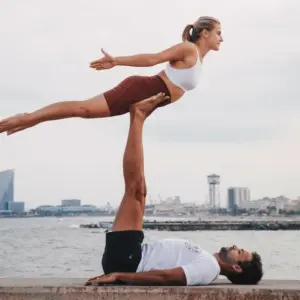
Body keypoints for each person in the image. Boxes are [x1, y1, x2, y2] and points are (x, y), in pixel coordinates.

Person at [84, 93, 263, 286]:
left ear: (237, 267)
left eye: (240, 252)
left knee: (136, 189)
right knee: (138, 188)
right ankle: (137, 117)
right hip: (131, 255)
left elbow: (166, 277)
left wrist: (119, 275)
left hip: (129, 261)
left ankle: (137, 117)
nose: (236, 246)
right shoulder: (207, 262)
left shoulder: (209, 268)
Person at [0, 16, 223, 135]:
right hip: (141, 89)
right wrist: (117, 61)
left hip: (145, 98)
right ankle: (28, 118)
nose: (221, 38)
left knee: (83, 111)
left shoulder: (198, 58)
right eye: (218, 33)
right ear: (205, 33)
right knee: (83, 108)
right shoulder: (188, 49)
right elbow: (152, 59)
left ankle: (30, 118)